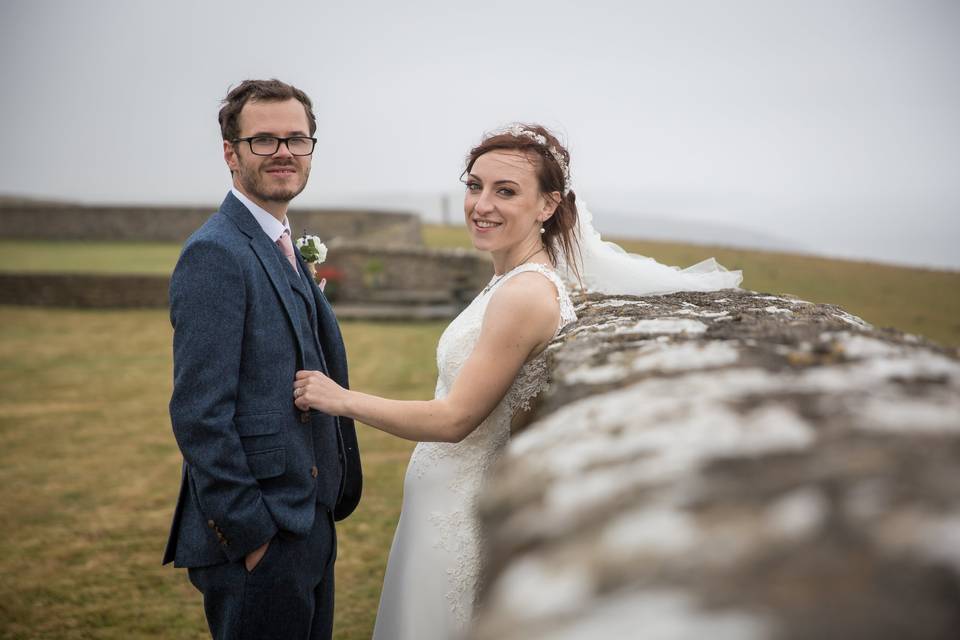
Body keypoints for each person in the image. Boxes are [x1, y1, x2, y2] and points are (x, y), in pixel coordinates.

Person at [292, 123, 741, 639]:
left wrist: (340, 398)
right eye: (474, 185)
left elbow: (455, 418)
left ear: (548, 206)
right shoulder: (507, 280)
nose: (481, 204)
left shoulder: (525, 294)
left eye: (505, 192)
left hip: (458, 514)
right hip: (436, 503)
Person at [163, 78, 362, 640]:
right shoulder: (214, 253)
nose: (283, 152)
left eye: (297, 140)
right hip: (261, 535)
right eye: (264, 140)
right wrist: (253, 538)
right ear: (231, 152)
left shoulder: (279, 242)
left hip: (309, 518)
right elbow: (200, 414)